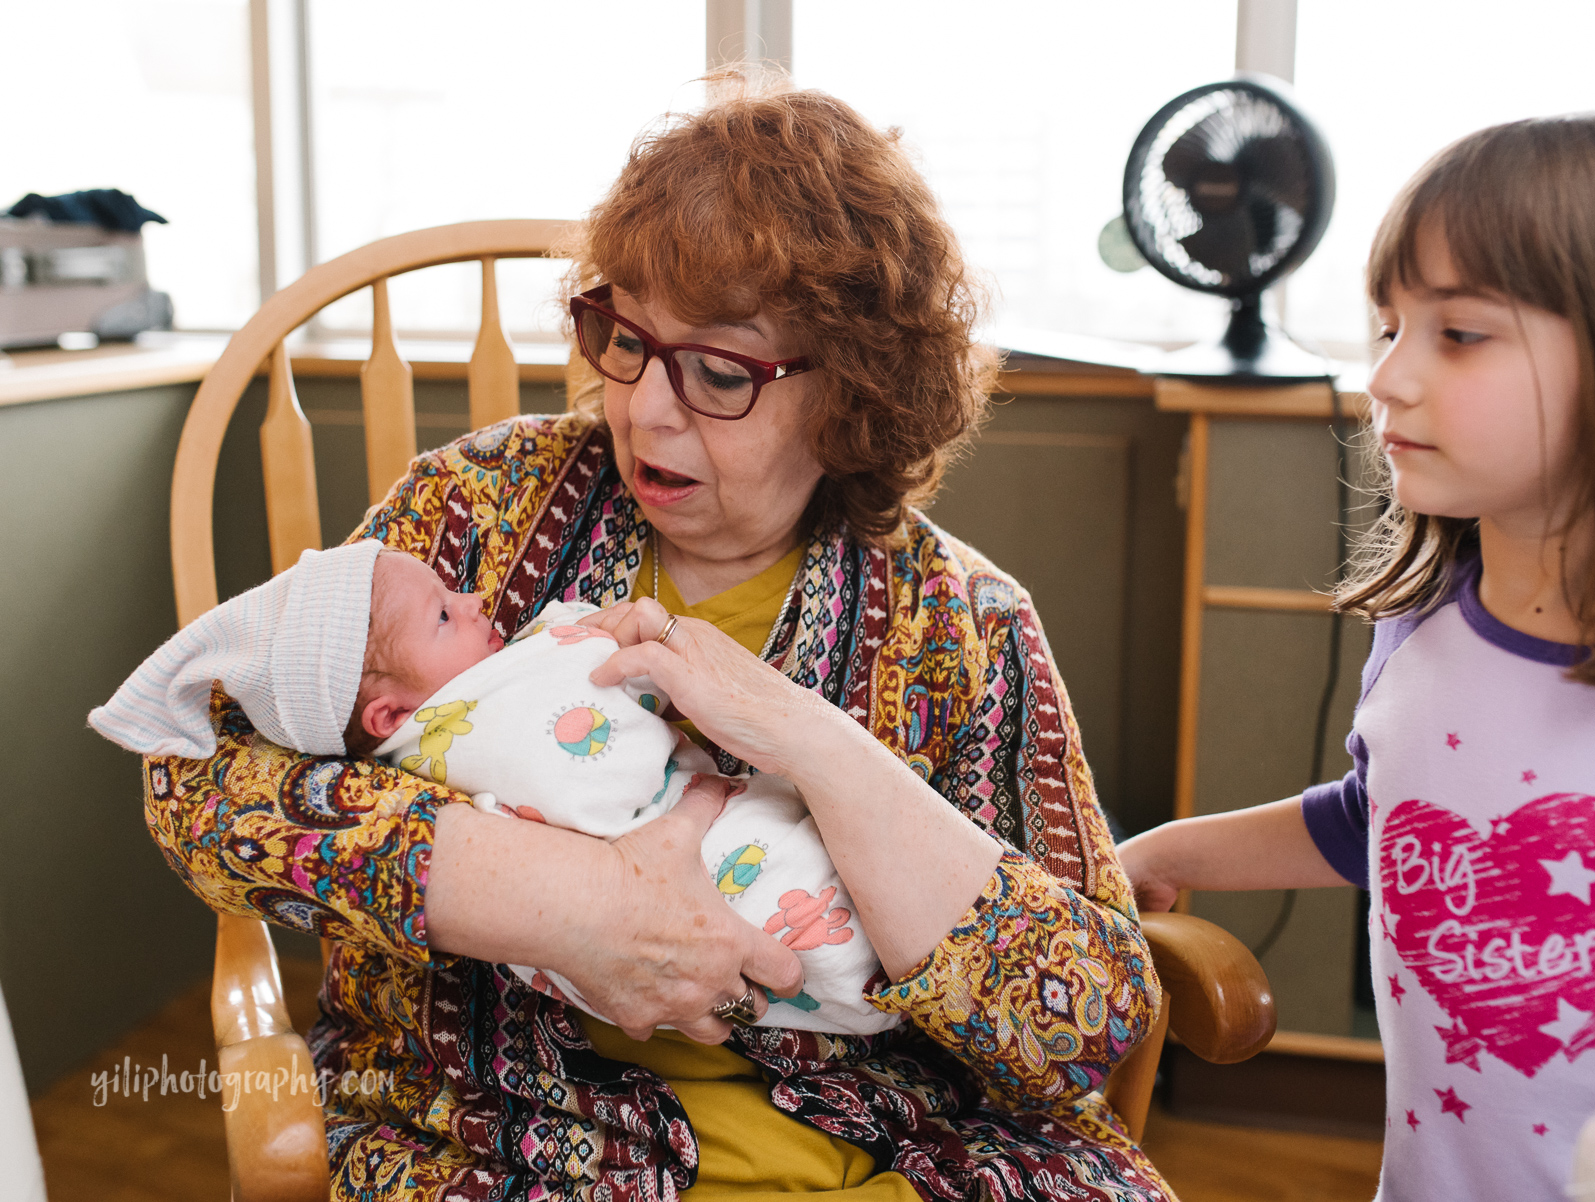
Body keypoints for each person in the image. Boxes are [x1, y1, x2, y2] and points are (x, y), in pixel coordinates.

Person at [144, 74, 1171, 1201]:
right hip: (506, 1137)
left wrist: (819, 746)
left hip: (901, 1150)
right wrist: (560, 902)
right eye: (625, 337)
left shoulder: (960, 623)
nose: (644, 408)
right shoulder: (475, 513)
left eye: (721, 371)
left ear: (856, 393)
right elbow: (196, 782)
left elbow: (1091, 1009)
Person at [1120, 113, 1595, 1200]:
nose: (1386, 378)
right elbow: (1387, 815)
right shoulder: (1429, 614)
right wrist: (1169, 846)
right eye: (1388, 328)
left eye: (1460, 335)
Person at [92, 540, 892, 1035]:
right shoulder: (464, 723)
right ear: (390, 713)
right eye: (445, 614)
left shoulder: (963, 611)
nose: (474, 599)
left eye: (719, 375)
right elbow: (596, 780)